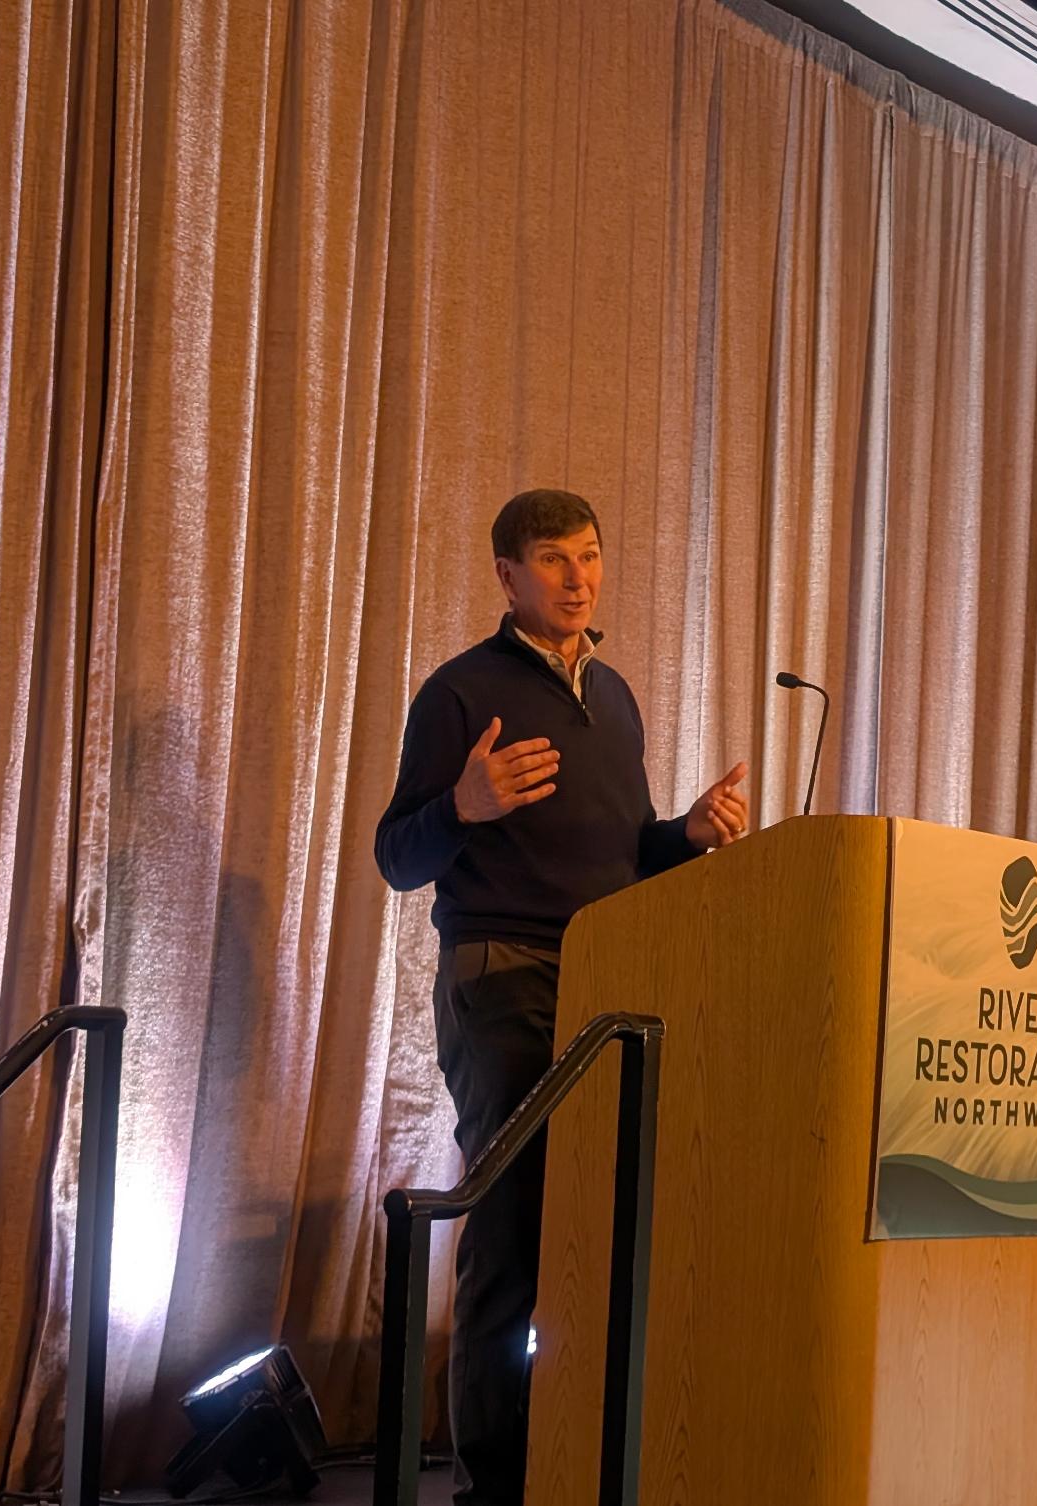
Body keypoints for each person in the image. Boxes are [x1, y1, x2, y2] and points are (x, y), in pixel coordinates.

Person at [374, 487, 748, 1506]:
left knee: (601, 1231)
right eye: (553, 559)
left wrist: (687, 836)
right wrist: (463, 803)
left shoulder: (614, 696)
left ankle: (581, 1458)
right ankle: (492, 1486)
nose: (578, 578)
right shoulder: (460, 693)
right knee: (514, 1234)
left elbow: (626, 858)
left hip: (608, 983)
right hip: (504, 980)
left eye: (589, 555)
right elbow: (397, 858)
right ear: (508, 576)